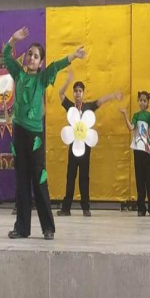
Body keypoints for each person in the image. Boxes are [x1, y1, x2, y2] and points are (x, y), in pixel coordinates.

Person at [4, 26, 85, 239]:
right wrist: (14, 39)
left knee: (39, 180)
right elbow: (6, 55)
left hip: (35, 137)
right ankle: (22, 228)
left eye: (36, 56)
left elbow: (56, 66)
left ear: (40, 63)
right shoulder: (18, 74)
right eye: (29, 54)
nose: (31, 58)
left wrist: (73, 56)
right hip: (19, 133)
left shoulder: (42, 79)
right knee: (21, 181)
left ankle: (48, 227)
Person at [56, 70, 122, 217]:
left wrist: (113, 95)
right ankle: (66, 208)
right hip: (73, 147)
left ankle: (86, 207)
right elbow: (60, 93)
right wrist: (67, 81)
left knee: (84, 178)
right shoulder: (70, 107)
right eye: (75, 91)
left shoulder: (88, 107)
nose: (77, 94)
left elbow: (101, 101)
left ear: (83, 93)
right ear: (73, 93)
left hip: (85, 148)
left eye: (80, 91)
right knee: (70, 177)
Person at [119, 92, 150, 216]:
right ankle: (141, 206)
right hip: (137, 149)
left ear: (148, 102)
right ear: (138, 101)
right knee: (139, 178)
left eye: (145, 101)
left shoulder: (149, 115)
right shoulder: (136, 115)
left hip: (147, 151)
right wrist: (125, 114)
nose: (142, 103)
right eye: (140, 100)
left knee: (148, 179)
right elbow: (131, 128)